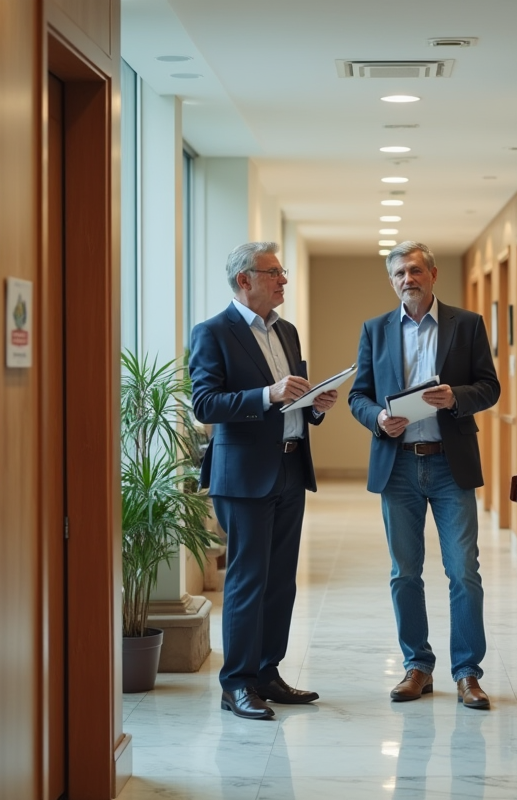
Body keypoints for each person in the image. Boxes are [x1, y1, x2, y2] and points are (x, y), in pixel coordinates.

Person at [189, 241, 338, 721]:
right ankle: (236, 683)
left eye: (283, 272)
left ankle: (267, 673)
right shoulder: (213, 332)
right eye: (274, 272)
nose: (283, 281)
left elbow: (292, 397)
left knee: (280, 582)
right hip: (244, 474)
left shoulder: (287, 332)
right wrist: (266, 393)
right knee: (249, 581)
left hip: (291, 467)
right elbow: (206, 405)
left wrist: (313, 405)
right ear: (244, 280)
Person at [348, 241, 500, 710]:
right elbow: (359, 395)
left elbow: (489, 387)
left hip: (449, 463)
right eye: (398, 274)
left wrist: (455, 397)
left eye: (414, 271)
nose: (406, 280)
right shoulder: (375, 330)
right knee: (404, 574)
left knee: (463, 572)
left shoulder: (467, 325)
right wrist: (377, 419)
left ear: (433, 274)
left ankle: (468, 674)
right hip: (397, 465)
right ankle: (417, 667)